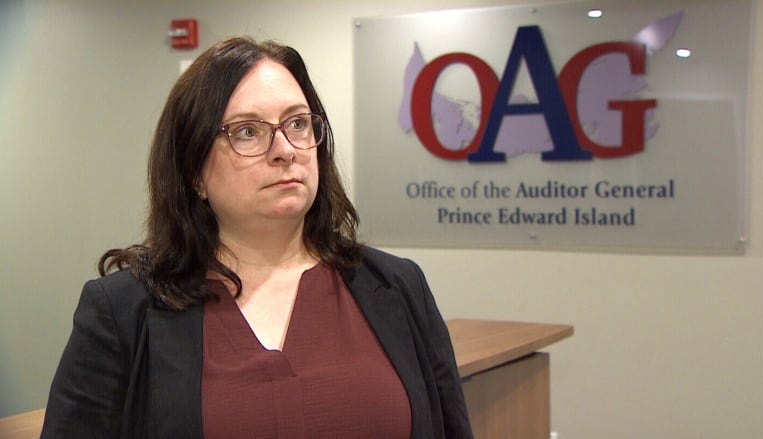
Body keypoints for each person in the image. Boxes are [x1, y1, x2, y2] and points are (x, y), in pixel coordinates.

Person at [40, 36, 473, 438]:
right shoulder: (122, 312)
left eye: (298, 124)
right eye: (247, 131)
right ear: (194, 172)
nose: (285, 149)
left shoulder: (397, 286)